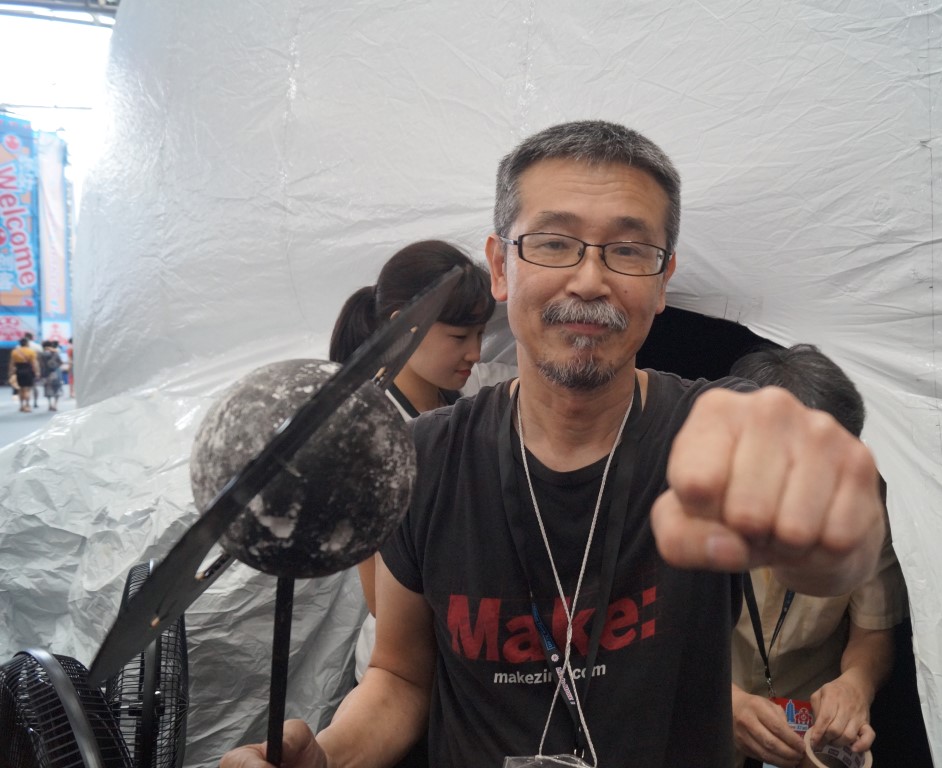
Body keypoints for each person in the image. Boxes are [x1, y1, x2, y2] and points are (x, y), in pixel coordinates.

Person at [222, 120, 886, 768]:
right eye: (553, 243)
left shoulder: (709, 428)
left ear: (663, 280)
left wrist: (829, 535)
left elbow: (815, 541)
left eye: (629, 250)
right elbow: (399, 675)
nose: (590, 280)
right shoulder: (424, 459)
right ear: (500, 266)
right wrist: (331, 756)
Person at [727, 344, 907, 768]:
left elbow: (873, 633)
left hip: (806, 725)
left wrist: (856, 685)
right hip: (696, 703)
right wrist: (720, 700)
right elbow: (647, 638)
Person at [328, 239, 496, 687]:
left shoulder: (461, 403)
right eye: (459, 337)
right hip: (405, 668)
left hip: (462, 645)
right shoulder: (370, 437)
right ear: (404, 327)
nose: (475, 353)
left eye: (480, 335)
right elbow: (379, 599)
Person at [8, 337, 40, 413]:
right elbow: (34, 363)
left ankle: (21, 406)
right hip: (28, 371)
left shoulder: (15, 352)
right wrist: (37, 372)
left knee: (20, 389)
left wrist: (10, 373)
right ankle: (27, 405)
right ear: (27, 343)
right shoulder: (31, 351)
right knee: (27, 390)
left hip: (18, 371)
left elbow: (11, 363)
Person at [38, 340, 65, 412]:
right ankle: (55, 405)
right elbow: (61, 362)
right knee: (57, 389)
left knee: (47, 389)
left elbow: (40, 365)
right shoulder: (55, 353)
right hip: (55, 373)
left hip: (45, 374)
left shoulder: (41, 354)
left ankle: (49, 405)